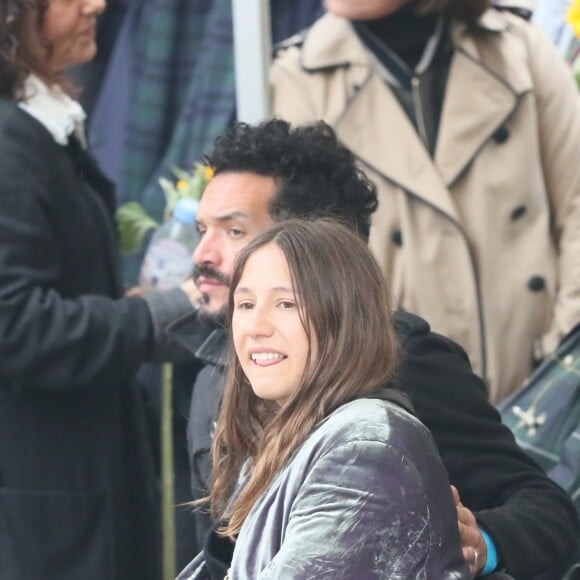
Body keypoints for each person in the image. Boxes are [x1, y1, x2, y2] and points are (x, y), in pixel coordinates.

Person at [167, 119, 579, 579]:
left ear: (326, 254)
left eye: (235, 232)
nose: (203, 253)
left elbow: (548, 512)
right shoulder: (219, 371)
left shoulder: (404, 367)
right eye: (203, 228)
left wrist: (479, 543)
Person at [270, 0, 580, 403]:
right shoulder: (297, 77)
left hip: (541, 386)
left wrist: (559, 361)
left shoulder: (519, 49)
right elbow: (304, 262)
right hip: (394, 400)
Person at [0, 1, 197, 578]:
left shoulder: (32, 126)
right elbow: (14, 323)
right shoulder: (8, 141)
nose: (96, 4)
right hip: (43, 502)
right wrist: (158, 319)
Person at [177, 218, 469, 580]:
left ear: (345, 319)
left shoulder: (367, 447)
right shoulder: (280, 444)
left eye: (285, 304)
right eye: (246, 304)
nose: (256, 326)